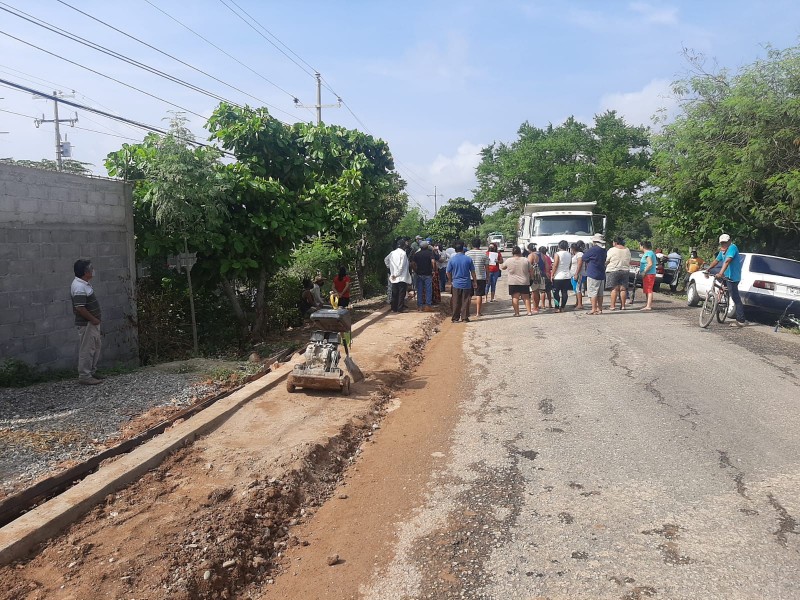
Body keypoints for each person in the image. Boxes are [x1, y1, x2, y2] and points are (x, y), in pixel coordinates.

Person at [71, 259, 104, 385]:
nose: (93, 270)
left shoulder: (84, 284)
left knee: (95, 347)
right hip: (87, 324)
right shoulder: (79, 287)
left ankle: (91, 372)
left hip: (92, 324)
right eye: (91, 268)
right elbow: (80, 308)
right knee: (87, 349)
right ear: (86, 272)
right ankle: (85, 375)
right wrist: (93, 319)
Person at [707, 233, 746, 327]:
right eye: (722, 243)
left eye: (725, 242)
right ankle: (718, 303)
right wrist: (708, 269)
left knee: (735, 297)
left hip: (733, 277)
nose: (723, 244)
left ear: (729, 241)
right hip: (725, 275)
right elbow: (716, 261)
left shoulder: (732, 247)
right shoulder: (723, 251)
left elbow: (728, 261)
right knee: (720, 287)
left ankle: (741, 320)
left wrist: (720, 273)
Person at [446, 241, 477, 322]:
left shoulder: (452, 260)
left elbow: (448, 272)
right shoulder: (468, 259)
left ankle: (455, 318)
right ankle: (464, 318)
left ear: (455, 250)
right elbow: (473, 272)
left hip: (456, 284)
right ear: (463, 249)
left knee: (456, 301)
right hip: (466, 283)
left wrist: (450, 280)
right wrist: (475, 282)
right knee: (466, 301)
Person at [501, 246, 534, 316]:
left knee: (515, 298)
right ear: (520, 252)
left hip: (513, 282)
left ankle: (517, 313)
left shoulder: (509, 260)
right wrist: (531, 278)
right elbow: (531, 270)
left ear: (512, 252)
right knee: (526, 297)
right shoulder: (525, 260)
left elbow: (503, 267)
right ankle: (529, 312)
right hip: (524, 281)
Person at [583, 234, 607, 315]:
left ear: (594, 241)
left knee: (592, 292)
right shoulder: (604, 250)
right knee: (600, 293)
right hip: (601, 273)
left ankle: (593, 309)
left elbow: (584, 258)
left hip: (593, 273)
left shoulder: (593, 249)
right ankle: (600, 309)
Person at [605, 237, 631, 310]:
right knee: (623, 289)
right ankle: (623, 306)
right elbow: (629, 260)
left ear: (615, 242)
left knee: (614, 289)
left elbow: (607, 259)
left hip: (613, 270)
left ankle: (612, 306)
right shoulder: (627, 250)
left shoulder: (612, 250)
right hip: (625, 270)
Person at [466, 238, 489, 317]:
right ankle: (478, 312)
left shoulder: (467, 254)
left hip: (469, 277)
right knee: (479, 295)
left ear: (472, 244)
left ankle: (467, 312)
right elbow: (486, 268)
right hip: (480, 277)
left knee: (469, 295)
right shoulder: (484, 254)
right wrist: (487, 277)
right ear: (480, 244)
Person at [387, 239, 412, 312]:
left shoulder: (392, 253)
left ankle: (393, 308)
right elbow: (401, 266)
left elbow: (386, 260)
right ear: (403, 246)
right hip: (401, 277)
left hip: (394, 277)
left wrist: (390, 268)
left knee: (394, 293)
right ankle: (400, 308)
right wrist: (396, 274)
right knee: (401, 293)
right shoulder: (403, 253)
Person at [412, 240, 436, 311]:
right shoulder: (430, 253)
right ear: (427, 246)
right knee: (428, 290)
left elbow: (413, 263)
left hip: (419, 274)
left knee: (419, 290)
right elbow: (433, 261)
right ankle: (428, 306)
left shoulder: (417, 254)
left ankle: (420, 306)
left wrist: (415, 270)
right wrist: (434, 270)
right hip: (428, 273)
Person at [551, 240, 572, 313]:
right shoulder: (569, 254)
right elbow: (570, 265)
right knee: (564, 292)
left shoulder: (557, 254)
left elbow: (555, 265)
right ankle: (563, 307)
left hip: (558, 276)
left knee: (556, 292)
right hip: (567, 275)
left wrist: (552, 274)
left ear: (559, 246)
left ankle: (557, 307)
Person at [639, 241, 658, 311]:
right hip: (649, 274)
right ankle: (647, 304)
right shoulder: (651, 253)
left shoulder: (648, 254)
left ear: (643, 246)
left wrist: (644, 271)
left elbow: (650, 264)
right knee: (647, 289)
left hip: (649, 274)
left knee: (649, 289)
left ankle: (648, 306)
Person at [526, 243, 542, 313]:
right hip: (540, 274)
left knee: (534, 291)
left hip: (534, 274)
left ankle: (535, 307)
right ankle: (537, 306)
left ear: (529, 249)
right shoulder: (541, 254)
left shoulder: (531, 255)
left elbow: (528, 265)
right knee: (537, 291)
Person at [571, 241, 586, 310]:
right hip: (575, 274)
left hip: (579, 274)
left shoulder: (579, 254)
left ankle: (580, 304)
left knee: (578, 289)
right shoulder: (576, 255)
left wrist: (576, 273)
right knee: (576, 289)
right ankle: (577, 302)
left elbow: (579, 263)